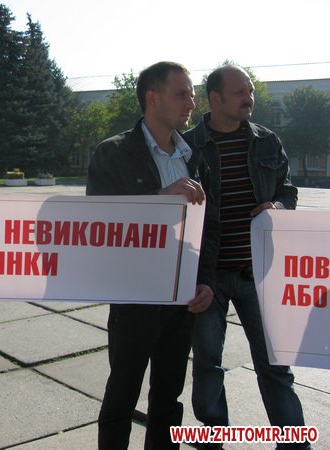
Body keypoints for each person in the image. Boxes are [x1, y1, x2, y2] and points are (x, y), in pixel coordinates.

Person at [86, 61, 219, 450]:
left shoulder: (196, 155)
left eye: (192, 94)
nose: (191, 103)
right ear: (152, 98)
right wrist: (161, 198)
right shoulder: (114, 152)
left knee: (168, 400)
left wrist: (205, 280)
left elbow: (210, 225)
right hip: (134, 300)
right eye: (182, 94)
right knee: (121, 397)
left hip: (182, 302)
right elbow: (99, 221)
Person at [184, 64, 312, 450]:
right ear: (216, 98)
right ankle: (212, 441)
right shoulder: (187, 146)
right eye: (240, 92)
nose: (249, 98)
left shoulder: (267, 141)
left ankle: (294, 444)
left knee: (276, 365)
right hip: (206, 277)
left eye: (251, 91)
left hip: (259, 273)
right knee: (208, 366)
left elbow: (287, 191)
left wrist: (277, 206)